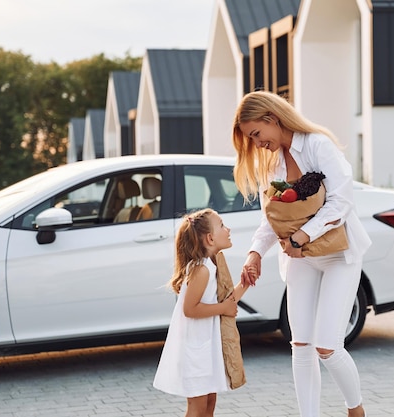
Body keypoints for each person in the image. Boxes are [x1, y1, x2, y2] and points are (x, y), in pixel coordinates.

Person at [232, 91, 372, 417]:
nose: (257, 144)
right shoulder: (276, 163)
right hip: (300, 259)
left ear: (272, 118)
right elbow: (273, 218)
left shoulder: (317, 145)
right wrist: (254, 253)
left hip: (338, 254)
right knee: (301, 345)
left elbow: (342, 201)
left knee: (328, 347)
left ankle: (356, 409)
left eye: (256, 134)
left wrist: (302, 235)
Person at [153, 208, 251, 417]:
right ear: (210, 238)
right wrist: (223, 308)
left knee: (209, 403)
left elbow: (223, 302)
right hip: (195, 350)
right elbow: (190, 309)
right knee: (197, 408)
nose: (228, 229)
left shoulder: (212, 264)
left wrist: (244, 284)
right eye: (222, 226)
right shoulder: (201, 269)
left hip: (207, 348)